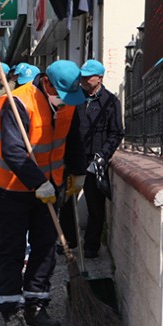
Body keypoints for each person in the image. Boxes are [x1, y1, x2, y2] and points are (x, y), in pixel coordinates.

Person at [0, 60, 86, 326]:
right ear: (47, 83)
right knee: (13, 248)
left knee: (45, 247)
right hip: (10, 187)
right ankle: (11, 308)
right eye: (61, 95)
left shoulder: (68, 103)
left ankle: (36, 304)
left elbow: (74, 140)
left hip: (50, 185)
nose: (64, 102)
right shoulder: (17, 103)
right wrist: (37, 182)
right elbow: (13, 150)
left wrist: (78, 173)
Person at [59, 59, 124, 258]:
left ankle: (91, 245)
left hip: (94, 160)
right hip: (73, 160)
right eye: (83, 77)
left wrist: (103, 155)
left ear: (100, 78)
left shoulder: (110, 102)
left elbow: (116, 132)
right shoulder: (75, 99)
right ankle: (69, 240)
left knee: (95, 204)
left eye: (89, 77)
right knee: (67, 201)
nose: (84, 80)